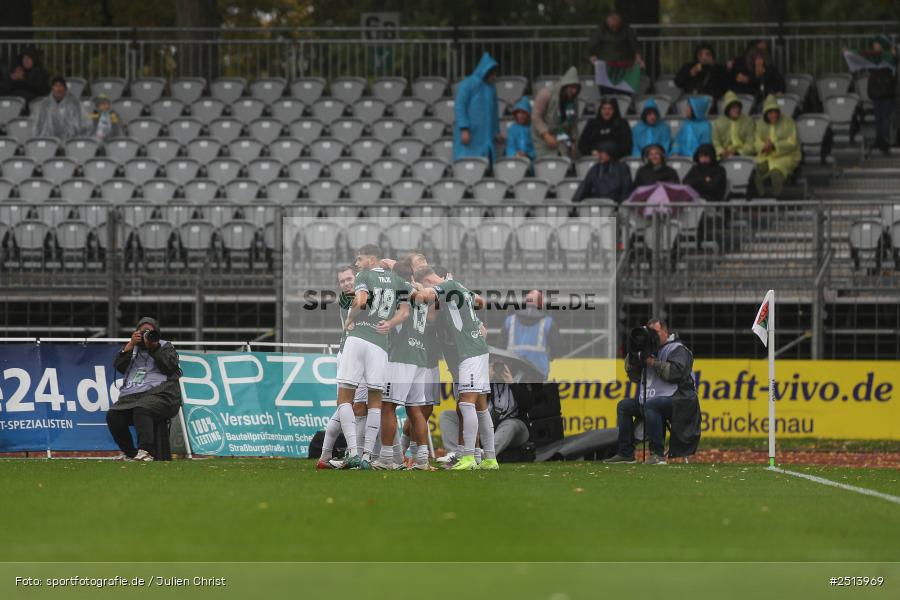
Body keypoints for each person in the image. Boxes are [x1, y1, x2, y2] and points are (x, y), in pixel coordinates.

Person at [329, 244, 410, 469]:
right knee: (376, 402)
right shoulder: (399, 281)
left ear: (371, 260)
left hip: (358, 339)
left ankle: (353, 452)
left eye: (360, 259)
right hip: (380, 345)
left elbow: (361, 300)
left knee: (345, 398)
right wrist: (390, 324)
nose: (357, 264)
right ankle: (366, 457)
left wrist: (349, 318)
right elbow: (405, 312)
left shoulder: (364, 276)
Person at [413, 266, 497, 471]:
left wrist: (411, 287)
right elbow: (480, 301)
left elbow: (425, 296)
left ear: (430, 281)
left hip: (469, 351)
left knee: (467, 403)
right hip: (475, 350)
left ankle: (468, 457)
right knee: (481, 406)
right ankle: (490, 458)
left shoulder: (447, 286)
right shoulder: (456, 286)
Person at [605, 318, 700, 465]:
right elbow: (635, 378)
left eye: (654, 332)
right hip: (652, 400)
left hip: (678, 401)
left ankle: (657, 455)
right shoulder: (646, 350)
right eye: (648, 333)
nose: (651, 336)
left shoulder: (677, 349)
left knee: (652, 405)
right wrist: (634, 357)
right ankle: (625, 454)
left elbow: (675, 373)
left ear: (665, 332)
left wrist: (652, 362)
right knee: (623, 406)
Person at [373, 259, 431, 470]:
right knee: (415, 408)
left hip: (402, 355)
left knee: (387, 406)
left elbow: (404, 312)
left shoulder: (401, 287)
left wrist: (388, 324)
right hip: (420, 354)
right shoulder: (420, 291)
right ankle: (422, 459)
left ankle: (387, 458)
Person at [317, 265, 371, 470]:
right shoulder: (349, 298)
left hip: (355, 355)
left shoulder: (357, 294)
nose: (347, 283)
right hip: (350, 355)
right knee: (353, 406)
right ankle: (354, 453)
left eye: (349, 279)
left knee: (348, 407)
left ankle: (325, 455)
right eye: (343, 281)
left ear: (356, 278)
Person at [106, 317, 182, 462]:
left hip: (163, 395)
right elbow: (119, 367)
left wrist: (154, 347)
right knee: (113, 415)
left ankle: (146, 451)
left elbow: (169, 367)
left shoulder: (165, 346)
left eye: (150, 332)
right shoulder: (133, 348)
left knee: (142, 408)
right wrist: (130, 345)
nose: (146, 335)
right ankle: (130, 453)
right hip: (132, 397)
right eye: (143, 332)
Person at [439, 356, 530, 459]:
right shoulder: (484, 379)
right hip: (488, 428)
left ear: (512, 363)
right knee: (447, 415)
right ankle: (454, 454)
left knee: (510, 424)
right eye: (496, 363)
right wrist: (486, 380)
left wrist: (512, 383)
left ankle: (487, 455)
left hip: (515, 430)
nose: (499, 367)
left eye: (504, 363)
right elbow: (472, 405)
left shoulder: (521, 377)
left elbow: (528, 405)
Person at [848, 35, 897, 155]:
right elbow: (862, 54)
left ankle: (884, 141)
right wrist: (849, 52)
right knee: (878, 117)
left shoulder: (888, 56)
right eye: (874, 43)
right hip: (876, 91)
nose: (874, 45)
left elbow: (895, 59)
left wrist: (894, 52)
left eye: (877, 43)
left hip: (886, 91)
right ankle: (879, 139)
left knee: (884, 118)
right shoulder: (872, 56)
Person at [498, 289, 563, 381]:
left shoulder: (510, 321)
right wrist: (548, 357)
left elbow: (500, 347)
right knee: (536, 395)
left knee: (515, 394)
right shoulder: (548, 322)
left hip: (513, 370)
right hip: (539, 369)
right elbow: (558, 350)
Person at [453, 52, 501, 162]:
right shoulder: (468, 83)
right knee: (468, 163)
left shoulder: (492, 87)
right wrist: (464, 129)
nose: (494, 76)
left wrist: (496, 131)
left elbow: (495, 111)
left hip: (487, 132)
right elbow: (460, 106)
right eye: (492, 73)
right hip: (471, 132)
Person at [753, 95, 801, 198]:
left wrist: (774, 146)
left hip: (786, 157)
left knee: (776, 173)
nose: (773, 115)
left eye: (775, 112)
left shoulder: (788, 122)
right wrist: (764, 146)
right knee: (755, 171)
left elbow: (792, 142)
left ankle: (777, 199)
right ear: (766, 113)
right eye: (770, 113)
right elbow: (756, 141)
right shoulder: (759, 124)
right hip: (766, 156)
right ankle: (762, 197)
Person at [587, 11, 644, 96]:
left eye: (616, 25)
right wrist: (591, 56)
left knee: (624, 94)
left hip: (624, 67)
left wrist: (638, 56)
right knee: (606, 95)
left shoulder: (627, 29)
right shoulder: (600, 30)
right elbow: (590, 46)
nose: (614, 27)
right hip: (606, 67)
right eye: (611, 25)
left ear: (620, 22)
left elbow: (635, 44)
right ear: (607, 22)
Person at [531, 66, 581, 159]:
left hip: (562, 137)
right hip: (542, 138)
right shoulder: (545, 93)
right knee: (546, 165)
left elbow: (574, 121)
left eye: (576, 88)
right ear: (565, 85)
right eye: (572, 87)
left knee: (564, 164)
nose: (574, 91)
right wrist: (546, 135)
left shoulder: (574, 99)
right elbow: (535, 116)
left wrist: (574, 141)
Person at [32, 76, 86, 140]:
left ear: (65, 88)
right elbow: (37, 124)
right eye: (56, 86)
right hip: (49, 141)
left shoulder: (74, 103)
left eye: (61, 86)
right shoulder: (45, 104)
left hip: (70, 141)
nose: (58, 88)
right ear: (52, 88)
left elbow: (85, 120)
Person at [712, 90, 756, 159]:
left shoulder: (748, 121)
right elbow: (715, 142)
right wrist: (721, 151)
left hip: (744, 156)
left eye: (738, 107)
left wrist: (737, 152)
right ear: (727, 109)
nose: (737, 110)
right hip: (723, 156)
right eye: (734, 108)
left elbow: (751, 143)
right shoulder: (718, 123)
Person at [505, 96, 536, 162]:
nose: (520, 115)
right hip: (516, 160)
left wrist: (528, 154)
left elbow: (537, 146)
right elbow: (510, 146)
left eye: (523, 112)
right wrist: (515, 153)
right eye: (518, 113)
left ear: (528, 114)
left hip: (532, 161)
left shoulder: (533, 128)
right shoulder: (512, 128)